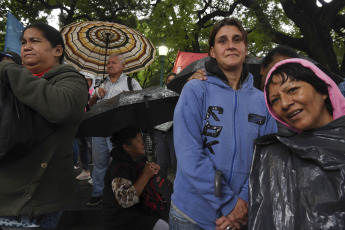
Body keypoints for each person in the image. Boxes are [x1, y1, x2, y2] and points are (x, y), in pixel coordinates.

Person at [170, 18, 277, 230]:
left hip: (241, 215)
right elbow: (189, 154)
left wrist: (243, 204)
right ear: (212, 51)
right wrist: (229, 203)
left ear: (245, 48)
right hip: (191, 217)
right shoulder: (195, 90)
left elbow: (267, 157)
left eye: (237, 40)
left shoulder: (262, 101)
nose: (230, 45)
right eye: (222, 41)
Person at [0, 23, 88, 229]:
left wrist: (8, 68)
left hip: (33, 198)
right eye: (23, 42)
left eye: (35, 41)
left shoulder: (70, 79)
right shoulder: (11, 80)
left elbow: (61, 108)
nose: (26, 47)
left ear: (58, 50)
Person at [249, 58, 345, 229]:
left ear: (322, 90)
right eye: (275, 100)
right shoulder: (275, 155)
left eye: (292, 90)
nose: (285, 103)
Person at [87, 53, 142, 206]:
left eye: (114, 62)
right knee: (99, 162)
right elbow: (91, 106)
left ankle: (117, 192)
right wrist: (96, 95)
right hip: (100, 128)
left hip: (119, 130)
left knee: (118, 161)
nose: (110, 65)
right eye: (108, 63)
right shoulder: (101, 83)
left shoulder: (131, 82)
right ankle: (98, 192)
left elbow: (141, 102)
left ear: (123, 66)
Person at [102, 126, 169, 230]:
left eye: (142, 139)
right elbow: (127, 200)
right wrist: (145, 176)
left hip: (136, 211)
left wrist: (153, 170)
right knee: (162, 226)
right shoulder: (118, 169)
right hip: (119, 220)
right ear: (127, 147)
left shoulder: (136, 160)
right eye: (138, 141)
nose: (143, 143)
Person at [154, 73, 177, 176]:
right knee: (162, 164)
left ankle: (178, 189)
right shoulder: (160, 96)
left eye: (173, 80)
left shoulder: (183, 95)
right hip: (160, 134)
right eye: (169, 80)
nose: (171, 82)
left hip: (175, 135)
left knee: (176, 163)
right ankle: (161, 189)